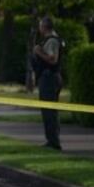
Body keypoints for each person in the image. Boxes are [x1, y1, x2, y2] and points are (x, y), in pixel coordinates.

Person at [32, 16, 64, 150]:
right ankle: (51, 139)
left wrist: (39, 52)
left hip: (49, 79)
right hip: (51, 78)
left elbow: (53, 60)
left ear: (44, 27)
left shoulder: (51, 41)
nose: (39, 29)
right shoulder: (55, 39)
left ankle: (54, 142)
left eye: (40, 26)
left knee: (49, 112)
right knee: (50, 111)